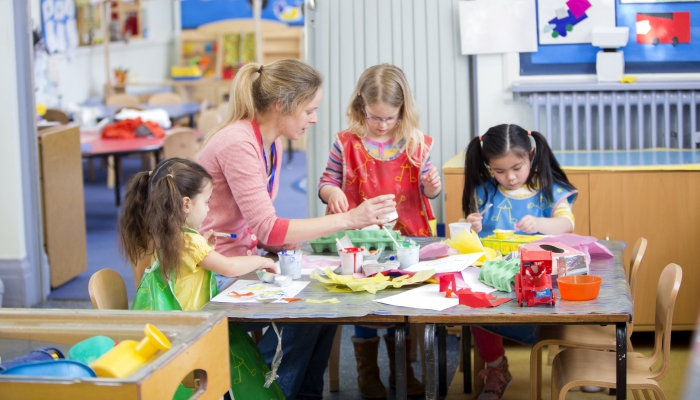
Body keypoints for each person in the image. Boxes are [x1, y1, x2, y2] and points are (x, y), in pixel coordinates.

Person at [197, 59, 398, 400]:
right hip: (208, 273)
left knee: (324, 306)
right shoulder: (238, 143)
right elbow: (270, 229)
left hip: (240, 262)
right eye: (309, 110)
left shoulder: (269, 143)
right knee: (307, 311)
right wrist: (351, 219)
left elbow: (264, 231)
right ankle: (263, 392)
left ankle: (300, 394)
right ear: (281, 105)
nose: (314, 118)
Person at [318, 64, 441, 399]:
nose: (383, 124)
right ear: (361, 107)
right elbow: (327, 182)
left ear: (404, 109)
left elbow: (430, 191)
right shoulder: (346, 143)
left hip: (406, 237)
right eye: (375, 117)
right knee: (364, 298)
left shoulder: (416, 144)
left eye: (390, 117)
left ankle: (404, 371)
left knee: (404, 300)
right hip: (363, 238)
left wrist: (432, 186)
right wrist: (334, 193)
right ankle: (367, 374)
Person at [120, 157, 284, 399]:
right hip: (192, 336)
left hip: (170, 330)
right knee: (238, 348)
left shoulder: (161, 234)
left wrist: (204, 248)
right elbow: (228, 267)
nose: (208, 209)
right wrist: (264, 261)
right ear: (186, 204)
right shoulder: (188, 240)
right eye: (206, 202)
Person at [462, 123, 578, 400]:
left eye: (517, 168)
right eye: (499, 171)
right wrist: (470, 226)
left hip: (540, 275)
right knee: (475, 304)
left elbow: (567, 224)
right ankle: (495, 366)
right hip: (495, 276)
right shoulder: (484, 192)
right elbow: (471, 236)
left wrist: (540, 222)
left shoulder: (549, 188)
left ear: (532, 154)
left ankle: (583, 356)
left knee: (576, 298)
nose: (510, 177)